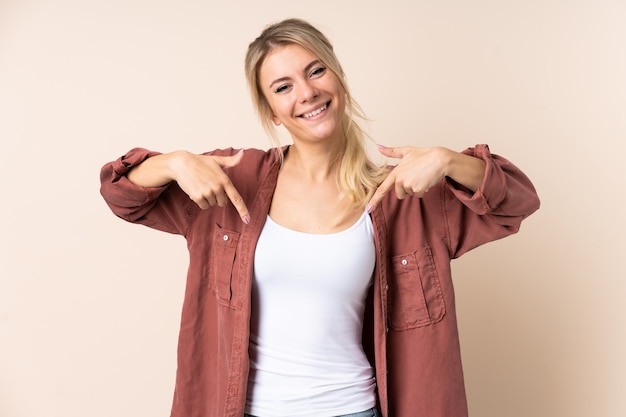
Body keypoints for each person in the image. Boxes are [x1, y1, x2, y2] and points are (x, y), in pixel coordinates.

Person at [100, 18, 539, 417]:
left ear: (338, 78)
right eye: (283, 86)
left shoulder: (402, 194)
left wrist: (449, 161)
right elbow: (122, 194)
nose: (306, 93)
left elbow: (516, 202)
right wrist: (173, 162)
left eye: (315, 71)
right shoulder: (234, 179)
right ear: (271, 110)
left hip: (352, 408)